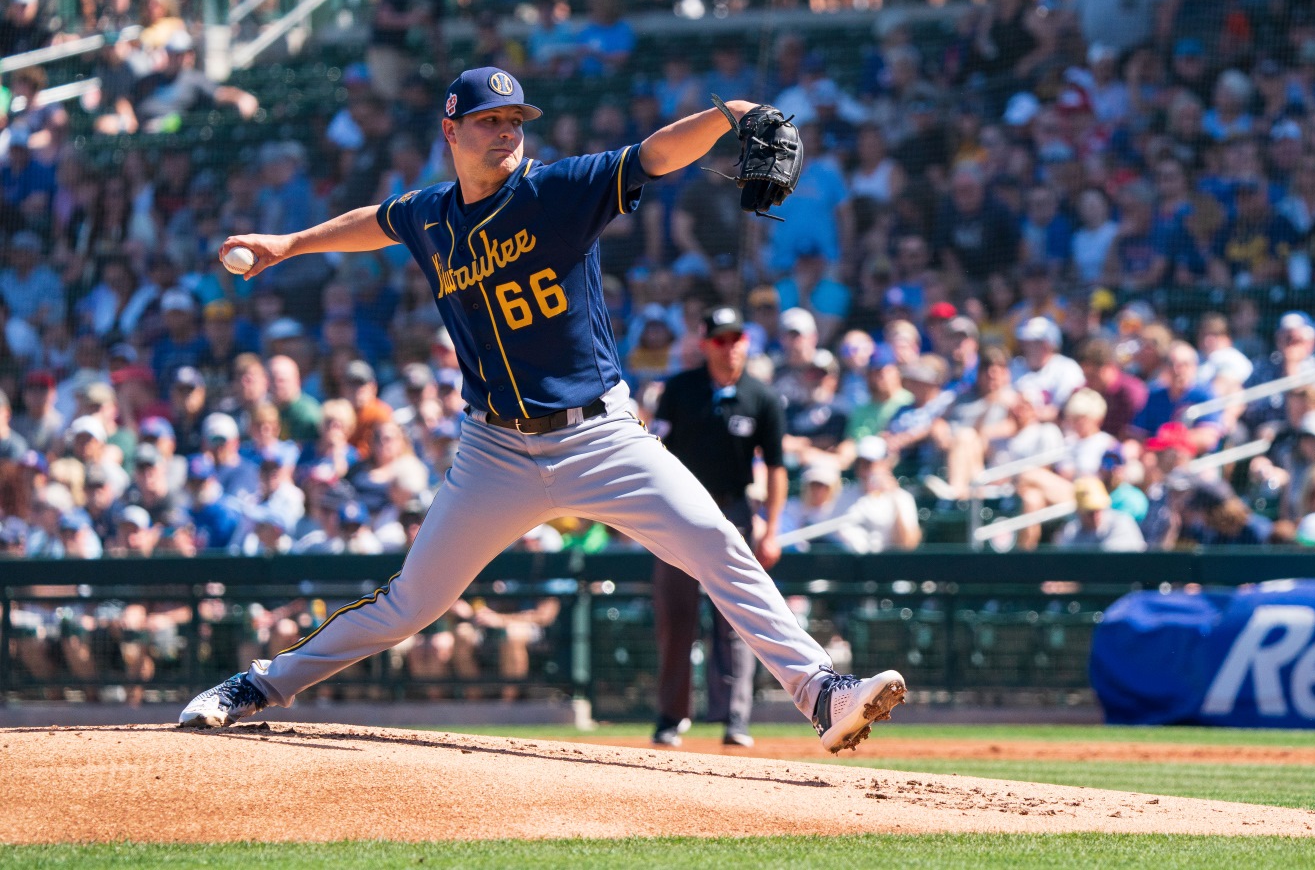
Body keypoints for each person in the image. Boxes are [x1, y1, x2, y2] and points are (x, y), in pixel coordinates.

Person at [179, 67, 904, 753]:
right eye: (488, 120)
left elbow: (652, 155)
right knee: (410, 602)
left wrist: (733, 116)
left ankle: (821, 694)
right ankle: (258, 684)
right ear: (451, 132)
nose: (505, 131)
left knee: (716, 543)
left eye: (514, 120)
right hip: (493, 451)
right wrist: (290, 245)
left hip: (600, 437)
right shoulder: (431, 214)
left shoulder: (559, 189)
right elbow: (379, 219)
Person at [648, 305, 783, 749]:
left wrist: (772, 527)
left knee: (738, 617)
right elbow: (655, 453)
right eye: (721, 340)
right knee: (675, 614)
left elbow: (777, 467)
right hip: (680, 514)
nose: (730, 348)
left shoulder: (761, 397)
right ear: (705, 344)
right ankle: (671, 717)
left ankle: (736, 718)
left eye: (737, 338)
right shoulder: (679, 390)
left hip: (735, 512)